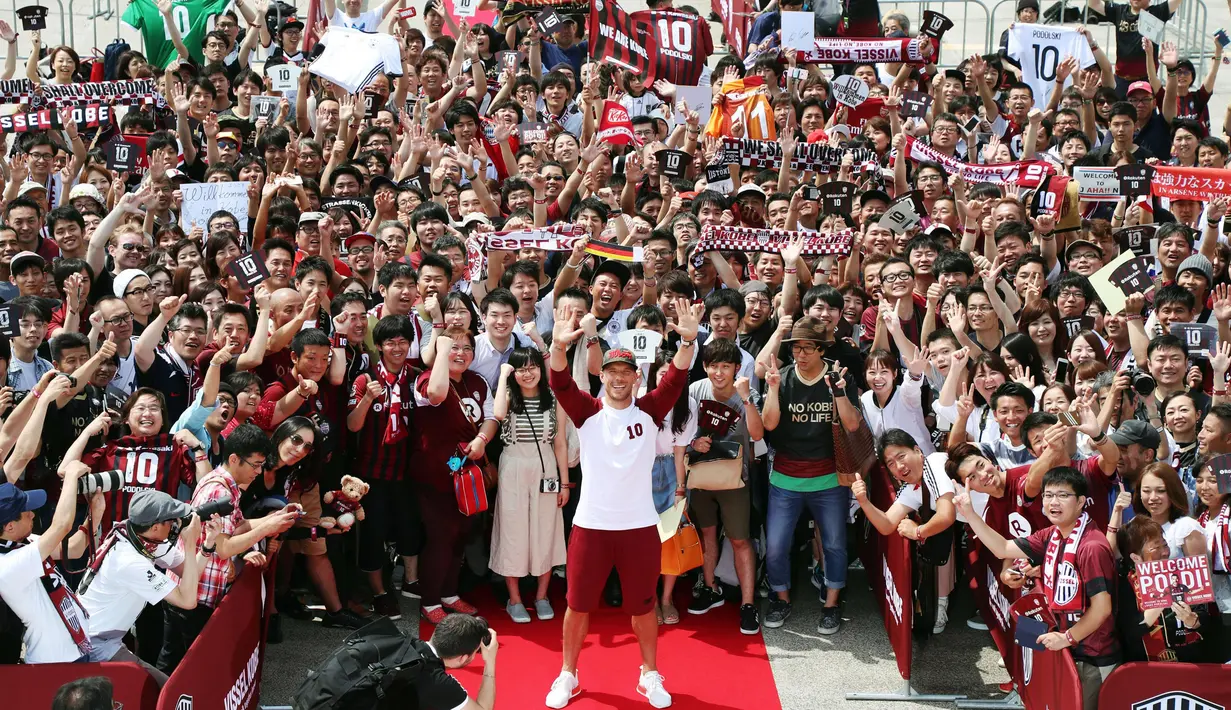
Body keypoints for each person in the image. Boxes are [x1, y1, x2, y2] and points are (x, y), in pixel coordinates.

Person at [543, 297, 702, 709]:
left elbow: (676, 381)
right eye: (611, 371)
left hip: (638, 528)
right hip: (591, 527)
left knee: (642, 608)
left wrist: (687, 342)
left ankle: (649, 674)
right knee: (578, 606)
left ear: (635, 377)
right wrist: (558, 348)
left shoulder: (650, 411)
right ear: (604, 375)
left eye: (625, 372)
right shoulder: (587, 412)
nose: (617, 378)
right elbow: (560, 384)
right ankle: (568, 674)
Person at [955, 467, 1120, 710]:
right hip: (1062, 648)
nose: (1054, 502)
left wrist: (1066, 638)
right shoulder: (1051, 534)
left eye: (1063, 495)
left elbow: (1102, 608)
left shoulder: (1092, 546)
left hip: (1090, 657)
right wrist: (968, 512)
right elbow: (1002, 548)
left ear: (1081, 502)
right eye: (1048, 495)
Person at [158, 423, 300, 673]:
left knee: (182, 666)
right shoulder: (217, 490)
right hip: (194, 594)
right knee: (178, 669)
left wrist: (276, 518)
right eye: (255, 465)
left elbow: (238, 525)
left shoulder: (227, 484)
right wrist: (268, 528)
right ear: (234, 459)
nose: (258, 472)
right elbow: (224, 548)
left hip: (198, 590)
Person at [758, 317, 862, 635]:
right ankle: (781, 598)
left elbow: (854, 425)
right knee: (775, 546)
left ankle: (831, 605)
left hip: (829, 478)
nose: (800, 355)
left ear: (821, 350)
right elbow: (770, 424)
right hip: (785, 477)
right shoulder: (783, 376)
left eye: (807, 348)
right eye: (796, 348)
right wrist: (773, 389)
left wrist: (839, 394)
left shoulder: (838, 377)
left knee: (834, 544)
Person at [79, 490, 222, 685]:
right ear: (155, 527)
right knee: (162, 691)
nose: (176, 525)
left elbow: (189, 574)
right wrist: (189, 544)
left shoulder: (136, 534)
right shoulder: (129, 561)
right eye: (171, 520)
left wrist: (206, 546)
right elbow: (187, 601)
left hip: (101, 636)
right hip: (94, 644)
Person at [685, 337, 765, 634]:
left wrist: (745, 399)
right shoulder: (695, 390)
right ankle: (710, 587)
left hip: (735, 478)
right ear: (705, 367)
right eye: (713, 366)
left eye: (726, 366)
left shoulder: (748, 394)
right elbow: (681, 432)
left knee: (740, 539)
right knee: (707, 536)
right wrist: (695, 443)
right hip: (701, 476)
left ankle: (747, 604)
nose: (719, 373)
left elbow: (757, 434)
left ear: (736, 368)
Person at [490, 348, 568, 624]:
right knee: (513, 531)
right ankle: (515, 600)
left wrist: (565, 482)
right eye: (521, 368)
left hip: (546, 466)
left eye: (532, 366)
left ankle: (542, 596)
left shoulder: (553, 398)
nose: (528, 373)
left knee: (545, 530)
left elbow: (560, 443)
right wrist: (503, 375)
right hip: (513, 465)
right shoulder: (509, 397)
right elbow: (498, 414)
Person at [852, 429, 957, 633]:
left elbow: (946, 516)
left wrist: (918, 531)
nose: (899, 466)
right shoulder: (911, 489)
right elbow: (886, 525)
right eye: (891, 463)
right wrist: (863, 501)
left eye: (902, 456)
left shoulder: (934, 464)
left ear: (917, 450)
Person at [0, 464, 98, 664]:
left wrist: (94, 514)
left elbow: (74, 549)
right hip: (53, 663)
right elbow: (61, 526)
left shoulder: (22, 545)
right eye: (27, 512)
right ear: (10, 526)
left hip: (73, 651)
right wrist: (70, 476)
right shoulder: (8, 564)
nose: (34, 515)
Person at [413, 614, 499, 710]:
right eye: (476, 651)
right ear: (462, 658)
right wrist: (490, 662)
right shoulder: (441, 683)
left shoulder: (404, 640)